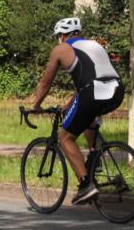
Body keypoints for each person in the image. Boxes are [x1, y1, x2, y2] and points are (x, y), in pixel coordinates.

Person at [27, 17, 124, 204]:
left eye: (58, 36)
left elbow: (46, 82)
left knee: (65, 137)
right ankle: (95, 159)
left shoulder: (61, 49)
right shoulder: (95, 45)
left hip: (94, 92)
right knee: (88, 118)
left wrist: (36, 105)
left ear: (62, 35)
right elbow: (87, 82)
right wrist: (69, 105)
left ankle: (85, 184)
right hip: (117, 90)